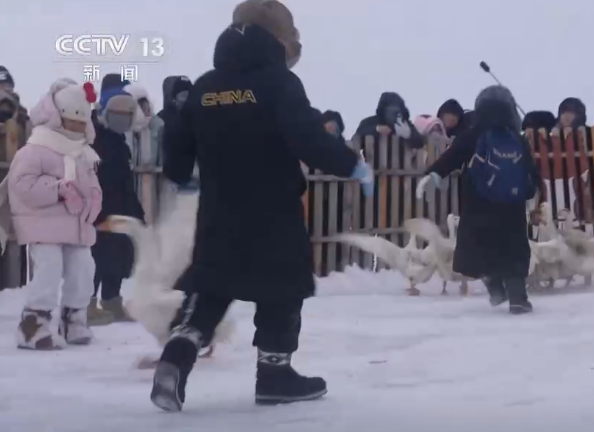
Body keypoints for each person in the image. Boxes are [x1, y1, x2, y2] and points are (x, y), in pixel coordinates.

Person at [152, 0, 374, 412]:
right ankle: (275, 374)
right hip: (274, 212)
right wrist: (353, 165)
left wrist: (182, 174)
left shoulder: (204, 86)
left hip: (219, 211)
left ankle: (178, 353)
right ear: (277, 40)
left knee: (211, 286)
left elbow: (179, 145)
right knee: (282, 289)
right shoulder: (280, 85)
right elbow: (307, 137)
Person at [416, 85, 541, 314]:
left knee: (474, 246)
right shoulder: (517, 138)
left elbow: (453, 156)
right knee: (514, 248)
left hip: (478, 203)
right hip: (512, 206)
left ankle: (495, 288)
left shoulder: (474, 134)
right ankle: (517, 298)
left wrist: (433, 174)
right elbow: (530, 171)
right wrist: (532, 192)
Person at [6, 79, 101, 349]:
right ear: (58, 117)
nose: (78, 127)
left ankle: (74, 318)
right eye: (72, 120)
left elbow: (90, 184)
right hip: (43, 226)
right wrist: (57, 189)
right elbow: (22, 185)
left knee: (83, 269)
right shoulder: (35, 149)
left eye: (82, 121)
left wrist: (93, 200)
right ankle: (33, 325)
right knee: (49, 270)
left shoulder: (83, 153)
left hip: (76, 226)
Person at [91, 85, 145, 323]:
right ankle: (86, 304)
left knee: (117, 257)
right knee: (96, 258)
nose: (121, 119)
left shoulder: (121, 143)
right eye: (116, 113)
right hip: (98, 212)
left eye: (127, 114)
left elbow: (125, 182)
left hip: (119, 211)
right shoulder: (95, 140)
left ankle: (112, 300)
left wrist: (136, 212)